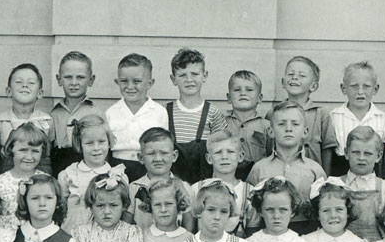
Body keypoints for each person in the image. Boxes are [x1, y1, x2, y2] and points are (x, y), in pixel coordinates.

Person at [246, 102, 326, 235]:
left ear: (305, 131)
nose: (288, 129)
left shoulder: (315, 170)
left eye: (295, 124)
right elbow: (251, 209)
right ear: (271, 131)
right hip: (268, 232)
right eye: (281, 124)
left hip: (306, 232)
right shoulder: (259, 169)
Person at [166, 48, 227, 183]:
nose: (189, 80)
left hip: (204, 179)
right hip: (174, 181)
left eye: (195, 74)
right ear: (173, 79)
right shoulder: (166, 111)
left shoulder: (213, 112)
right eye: (182, 75)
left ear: (204, 76)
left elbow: (220, 147)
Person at [105, 53, 168, 181]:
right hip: (117, 167)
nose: (130, 87)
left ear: (149, 83)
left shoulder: (159, 112)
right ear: (117, 82)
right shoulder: (111, 112)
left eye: (137, 81)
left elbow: (164, 145)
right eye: (124, 81)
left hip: (148, 166)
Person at [324, 61, 385, 176]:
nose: (360, 92)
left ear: (375, 89)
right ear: (343, 88)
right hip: (340, 171)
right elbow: (328, 153)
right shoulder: (334, 116)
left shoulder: (383, 118)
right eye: (354, 86)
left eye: (366, 86)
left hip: (372, 173)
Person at [0, 63, 55, 174]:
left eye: (31, 83)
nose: (24, 86)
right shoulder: (0, 122)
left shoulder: (46, 120)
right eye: (19, 82)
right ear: (8, 91)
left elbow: (49, 154)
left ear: (40, 93)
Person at [125, 127, 192, 232]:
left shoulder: (184, 187)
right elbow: (126, 225)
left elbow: (189, 228)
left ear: (174, 156)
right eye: (151, 153)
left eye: (164, 153)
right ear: (141, 158)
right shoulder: (134, 188)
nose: (157, 159)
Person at [57, 115, 114, 233]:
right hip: (73, 234)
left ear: (109, 142)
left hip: (104, 237)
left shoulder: (115, 176)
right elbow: (60, 208)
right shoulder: (69, 174)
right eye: (89, 143)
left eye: (102, 142)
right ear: (80, 144)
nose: (96, 148)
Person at [188, 133, 251, 237]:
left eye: (230, 152)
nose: (224, 157)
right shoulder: (196, 189)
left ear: (240, 156)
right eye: (218, 152)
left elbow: (251, 232)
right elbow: (190, 230)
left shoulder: (248, 192)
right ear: (209, 158)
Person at [51, 51, 103, 173]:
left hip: (88, 166)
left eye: (80, 77)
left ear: (91, 80)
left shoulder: (96, 113)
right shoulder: (53, 114)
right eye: (68, 77)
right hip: (59, 166)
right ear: (59, 80)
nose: (74, 82)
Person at [0, 123, 52, 228]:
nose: (29, 157)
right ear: (11, 149)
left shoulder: (47, 181)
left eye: (35, 151)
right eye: (23, 150)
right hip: (6, 239)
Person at [341, 126, 385, 242]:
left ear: (378, 156)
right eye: (356, 152)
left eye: (368, 153)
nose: (361, 158)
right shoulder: (336, 185)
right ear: (346, 153)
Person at [280, 56, 332, 167]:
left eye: (302, 75)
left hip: (313, 176)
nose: (294, 78)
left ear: (313, 86)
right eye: (290, 74)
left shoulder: (321, 114)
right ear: (283, 82)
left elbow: (327, 149)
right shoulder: (274, 113)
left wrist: (324, 177)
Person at [222, 70, 270, 179]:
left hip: (257, 177)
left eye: (249, 90)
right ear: (229, 98)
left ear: (260, 98)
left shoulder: (266, 126)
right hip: (227, 175)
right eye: (237, 90)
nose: (243, 93)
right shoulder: (221, 123)